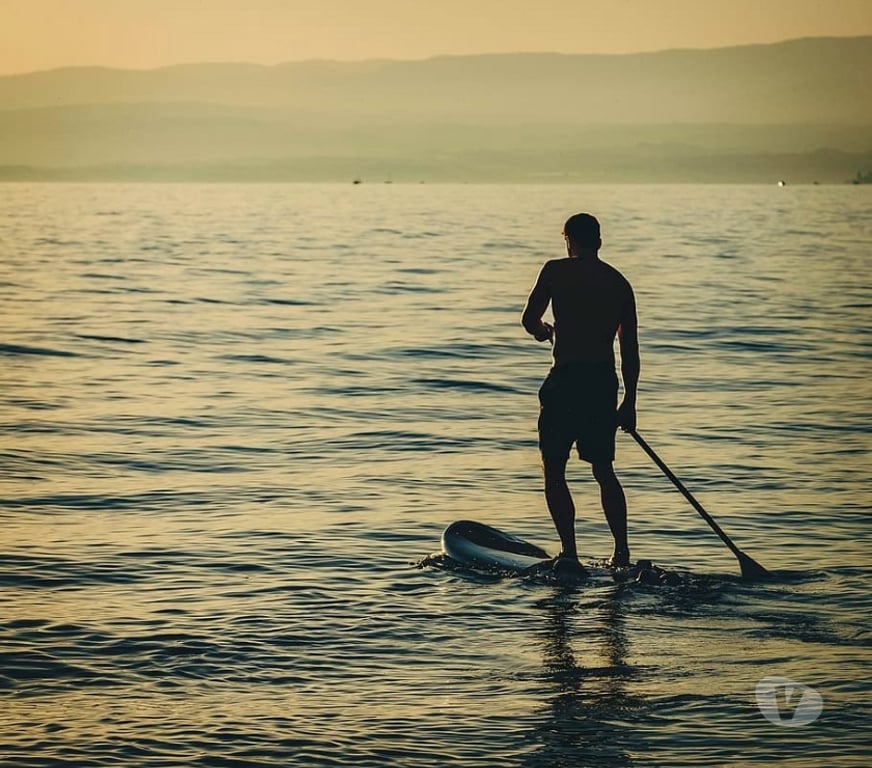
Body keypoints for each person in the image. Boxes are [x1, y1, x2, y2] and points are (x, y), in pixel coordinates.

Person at [521, 213, 639, 568]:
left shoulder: (555, 271)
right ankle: (621, 552)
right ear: (599, 241)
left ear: (568, 241)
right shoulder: (619, 283)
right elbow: (629, 350)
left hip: (565, 381)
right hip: (601, 385)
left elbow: (529, 319)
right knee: (603, 470)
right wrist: (629, 402)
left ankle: (570, 552)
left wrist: (545, 332)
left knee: (555, 470)